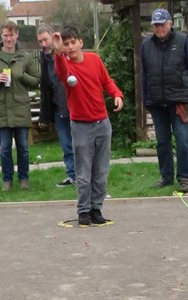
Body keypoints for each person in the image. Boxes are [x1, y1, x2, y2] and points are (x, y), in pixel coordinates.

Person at [52, 25, 124, 225]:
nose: (70, 47)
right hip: (81, 126)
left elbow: (107, 81)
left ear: (81, 42)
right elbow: (60, 68)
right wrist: (57, 51)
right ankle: (83, 211)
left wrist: (117, 94)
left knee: (101, 170)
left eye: (73, 42)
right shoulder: (66, 66)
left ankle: (96, 208)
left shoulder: (94, 59)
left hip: (102, 123)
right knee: (83, 172)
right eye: (66, 45)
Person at [141, 9, 188, 193]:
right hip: (157, 102)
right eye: (156, 25)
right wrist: (146, 100)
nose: (159, 28)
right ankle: (166, 177)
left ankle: (184, 178)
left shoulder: (183, 41)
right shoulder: (146, 45)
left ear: (169, 24)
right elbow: (144, 75)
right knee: (162, 142)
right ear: (152, 26)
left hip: (179, 100)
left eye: (162, 24)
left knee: (182, 141)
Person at [0, 20, 40, 191]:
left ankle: (24, 179)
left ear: (17, 35)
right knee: (5, 149)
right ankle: (7, 180)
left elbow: (36, 81)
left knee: (23, 148)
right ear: (1, 35)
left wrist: (22, 76)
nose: (8, 39)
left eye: (11, 35)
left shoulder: (25, 57)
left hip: (20, 109)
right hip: (1, 109)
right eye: (5, 35)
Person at [36, 25, 75, 187]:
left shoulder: (68, 54)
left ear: (54, 37)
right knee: (66, 145)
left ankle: (86, 176)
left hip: (75, 107)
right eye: (40, 41)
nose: (44, 44)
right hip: (59, 107)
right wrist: (44, 115)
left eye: (46, 39)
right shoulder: (45, 59)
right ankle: (72, 175)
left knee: (80, 144)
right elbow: (46, 88)